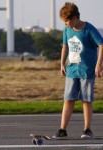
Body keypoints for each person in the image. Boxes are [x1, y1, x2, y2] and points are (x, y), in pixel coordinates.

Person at [53, 2, 103, 139]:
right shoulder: (67, 30)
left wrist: (99, 64)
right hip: (72, 70)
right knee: (68, 99)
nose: (65, 24)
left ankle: (87, 129)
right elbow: (65, 46)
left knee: (86, 100)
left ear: (75, 18)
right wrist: (62, 63)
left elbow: (101, 44)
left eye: (67, 21)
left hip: (86, 70)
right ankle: (62, 129)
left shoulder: (89, 29)